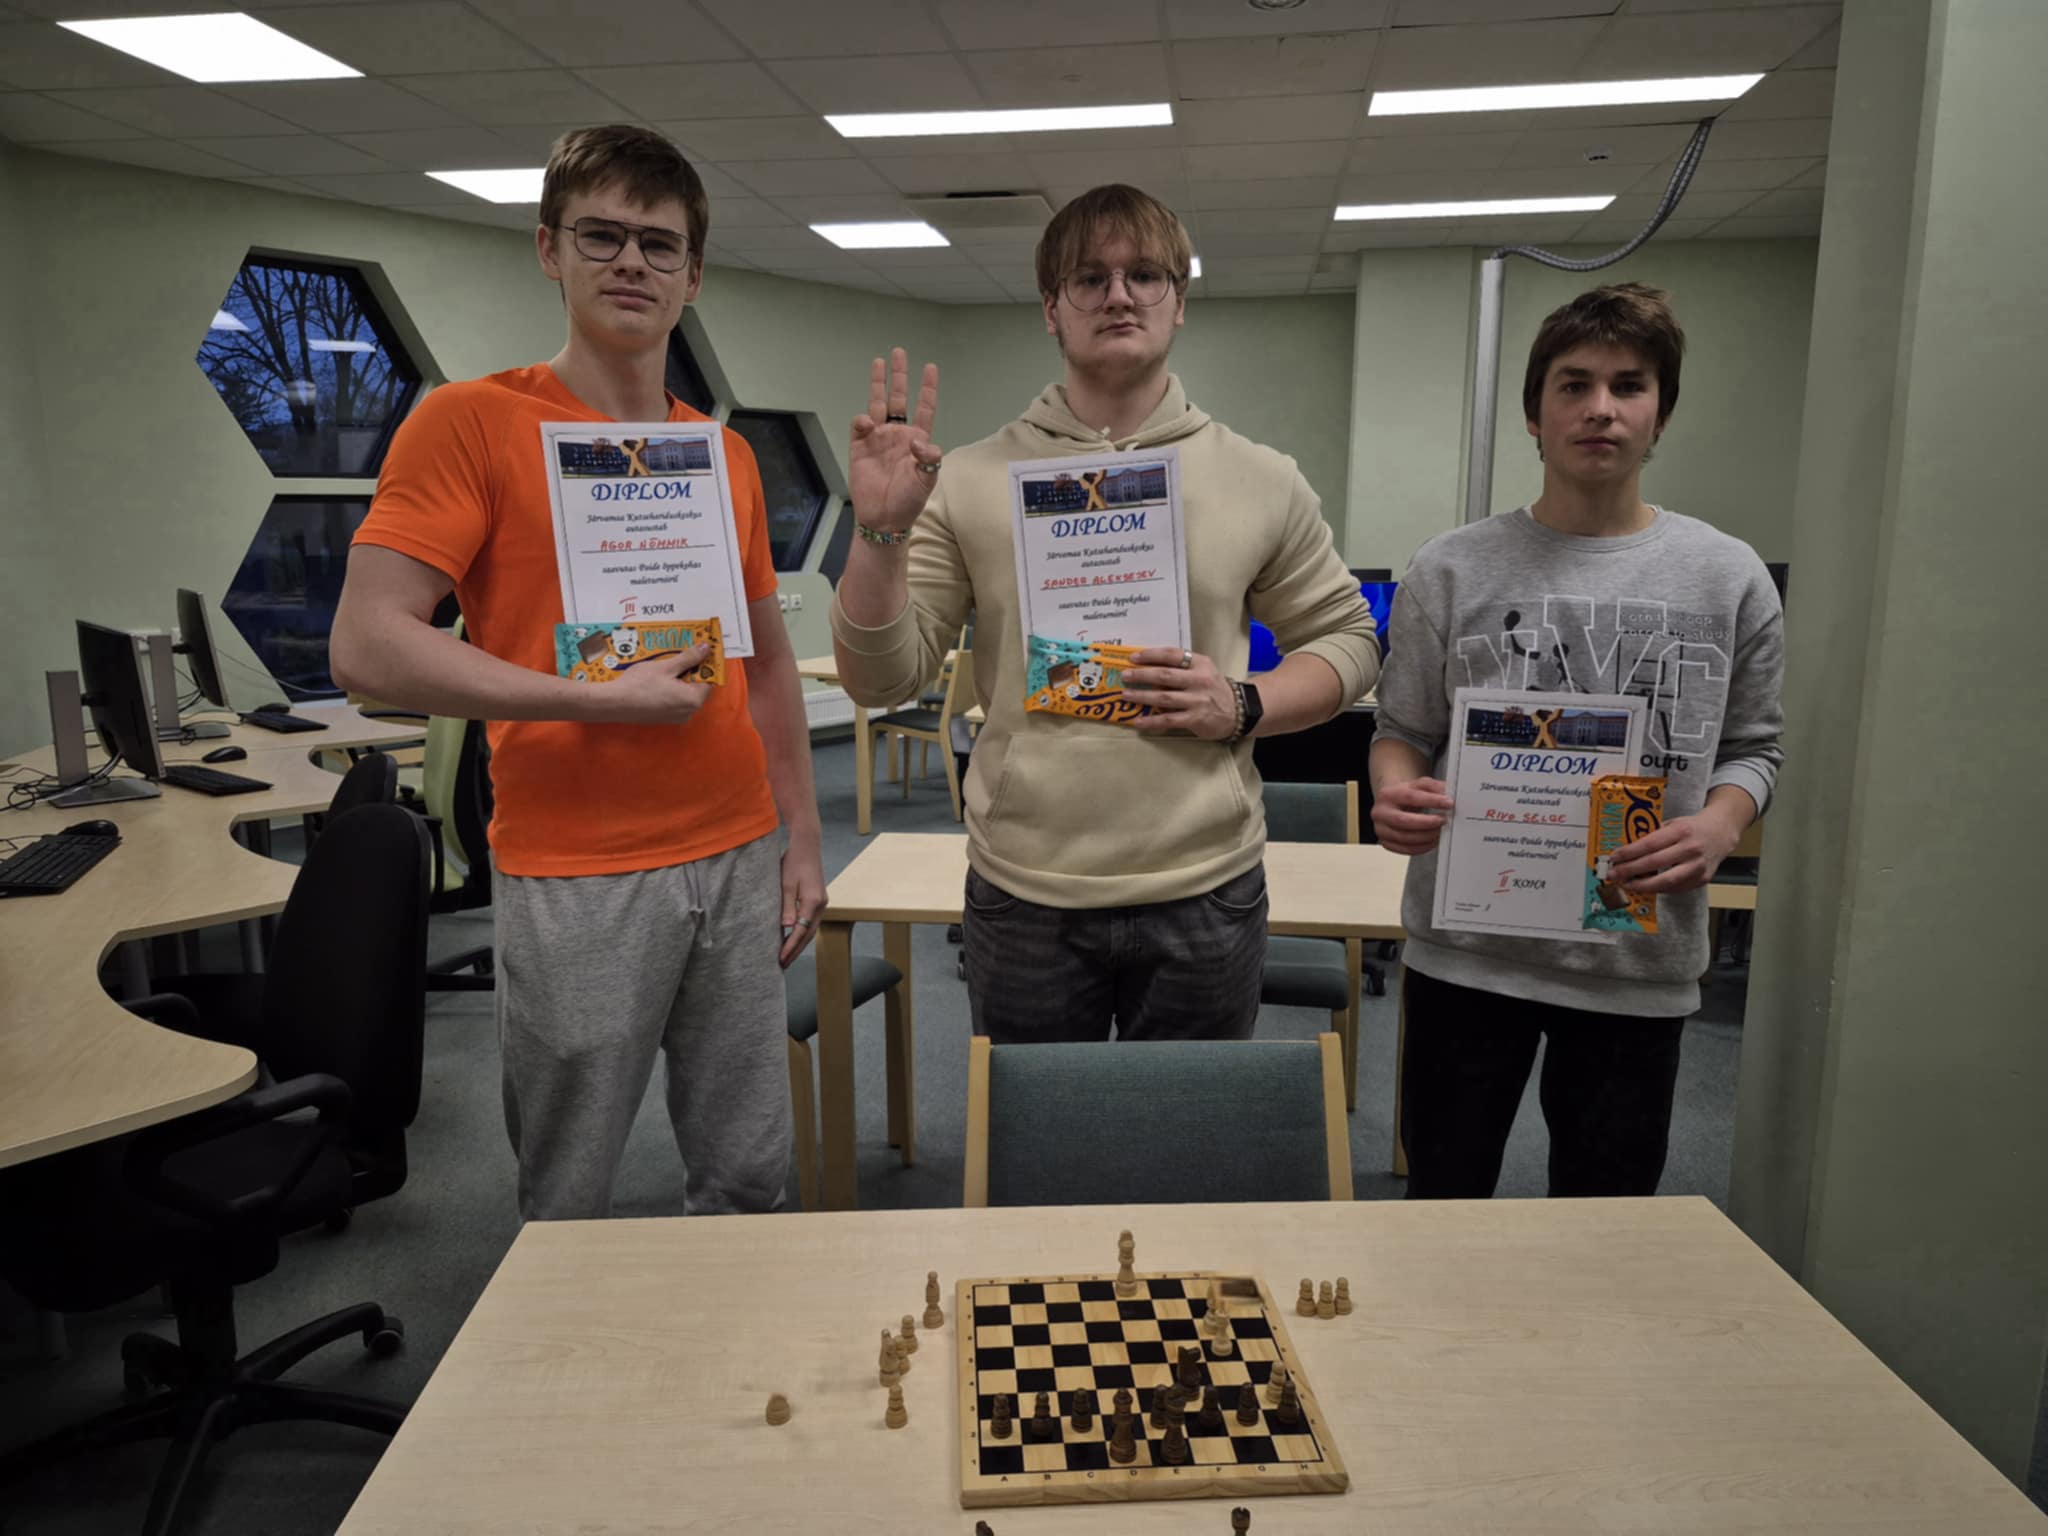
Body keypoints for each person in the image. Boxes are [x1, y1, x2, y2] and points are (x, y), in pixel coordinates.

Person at [330, 125, 823, 1221]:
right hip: (577, 869)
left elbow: (766, 665)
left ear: (693, 275)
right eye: (602, 236)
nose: (631, 262)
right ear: (549, 250)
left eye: (659, 243)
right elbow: (366, 644)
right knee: (568, 1192)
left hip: (737, 851)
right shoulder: (470, 422)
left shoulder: (723, 455)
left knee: (748, 1175)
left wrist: (800, 833)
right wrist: (587, 698)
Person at [829, 184, 1378, 1043]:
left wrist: (1244, 703)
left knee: (1187, 1125)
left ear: (1178, 301)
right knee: (1035, 1127)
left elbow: (1350, 640)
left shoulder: (1262, 477)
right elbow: (879, 680)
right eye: (1091, 278)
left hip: (1205, 883)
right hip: (1025, 889)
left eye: (1145, 275)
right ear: (1052, 308)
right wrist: (880, 532)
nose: (1120, 295)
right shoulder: (968, 479)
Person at [1370, 282, 1785, 1200]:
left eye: (1629, 386)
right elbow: (1403, 730)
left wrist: (1722, 825)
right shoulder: (1451, 567)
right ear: (1535, 413)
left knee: (1606, 1226)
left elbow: (1756, 748)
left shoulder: (1728, 577)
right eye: (1574, 385)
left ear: (1660, 414)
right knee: (1440, 1206)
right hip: (1467, 951)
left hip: (1634, 961)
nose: (1601, 408)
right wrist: (1395, 789)